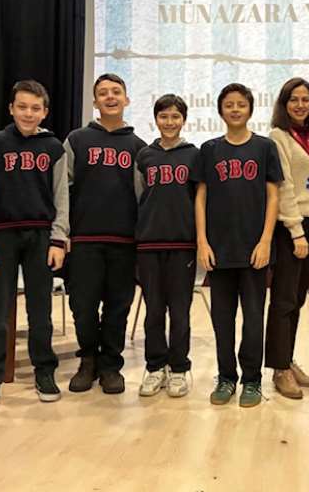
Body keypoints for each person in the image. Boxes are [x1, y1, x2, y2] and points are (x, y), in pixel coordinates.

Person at [0, 80, 68, 410]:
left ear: (45, 112)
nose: (28, 113)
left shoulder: (54, 148)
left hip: (41, 238)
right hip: (1, 238)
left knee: (41, 312)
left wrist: (59, 239)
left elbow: (61, 198)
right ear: (11, 109)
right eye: (22, 107)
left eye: (35, 108)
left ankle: (44, 372)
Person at [196, 83, 282, 408]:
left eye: (241, 104)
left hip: (254, 249)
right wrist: (202, 241)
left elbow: (273, 196)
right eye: (229, 104)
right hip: (219, 250)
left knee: (254, 319)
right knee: (222, 320)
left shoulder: (264, 147)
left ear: (250, 109)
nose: (235, 109)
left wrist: (265, 240)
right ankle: (226, 377)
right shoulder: (209, 149)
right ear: (221, 110)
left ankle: (252, 380)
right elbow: (201, 197)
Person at [65, 73, 146, 394]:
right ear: (95, 101)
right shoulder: (76, 140)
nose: (110, 97)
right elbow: (61, 190)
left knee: (117, 307)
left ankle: (111, 365)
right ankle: (88, 360)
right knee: (82, 306)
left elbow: (143, 198)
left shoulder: (139, 147)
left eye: (116, 92)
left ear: (126, 99)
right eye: (103, 93)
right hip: (83, 240)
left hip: (124, 242)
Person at [134, 94, 200, 398]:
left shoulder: (194, 155)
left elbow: (200, 201)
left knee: (180, 311)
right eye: (164, 116)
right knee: (154, 311)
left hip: (183, 244)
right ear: (156, 119)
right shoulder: (144, 156)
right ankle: (155, 367)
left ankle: (179, 368)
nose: (169, 122)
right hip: (149, 244)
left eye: (175, 116)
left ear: (183, 119)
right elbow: (138, 197)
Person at [265, 78, 309, 399]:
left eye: (305, 100)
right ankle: (279, 369)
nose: (300, 105)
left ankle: (287, 359)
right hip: (290, 227)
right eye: (294, 100)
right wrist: (296, 231)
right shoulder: (278, 137)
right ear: (284, 104)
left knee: (298, 299)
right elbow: (284, 186)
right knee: (284, 299)